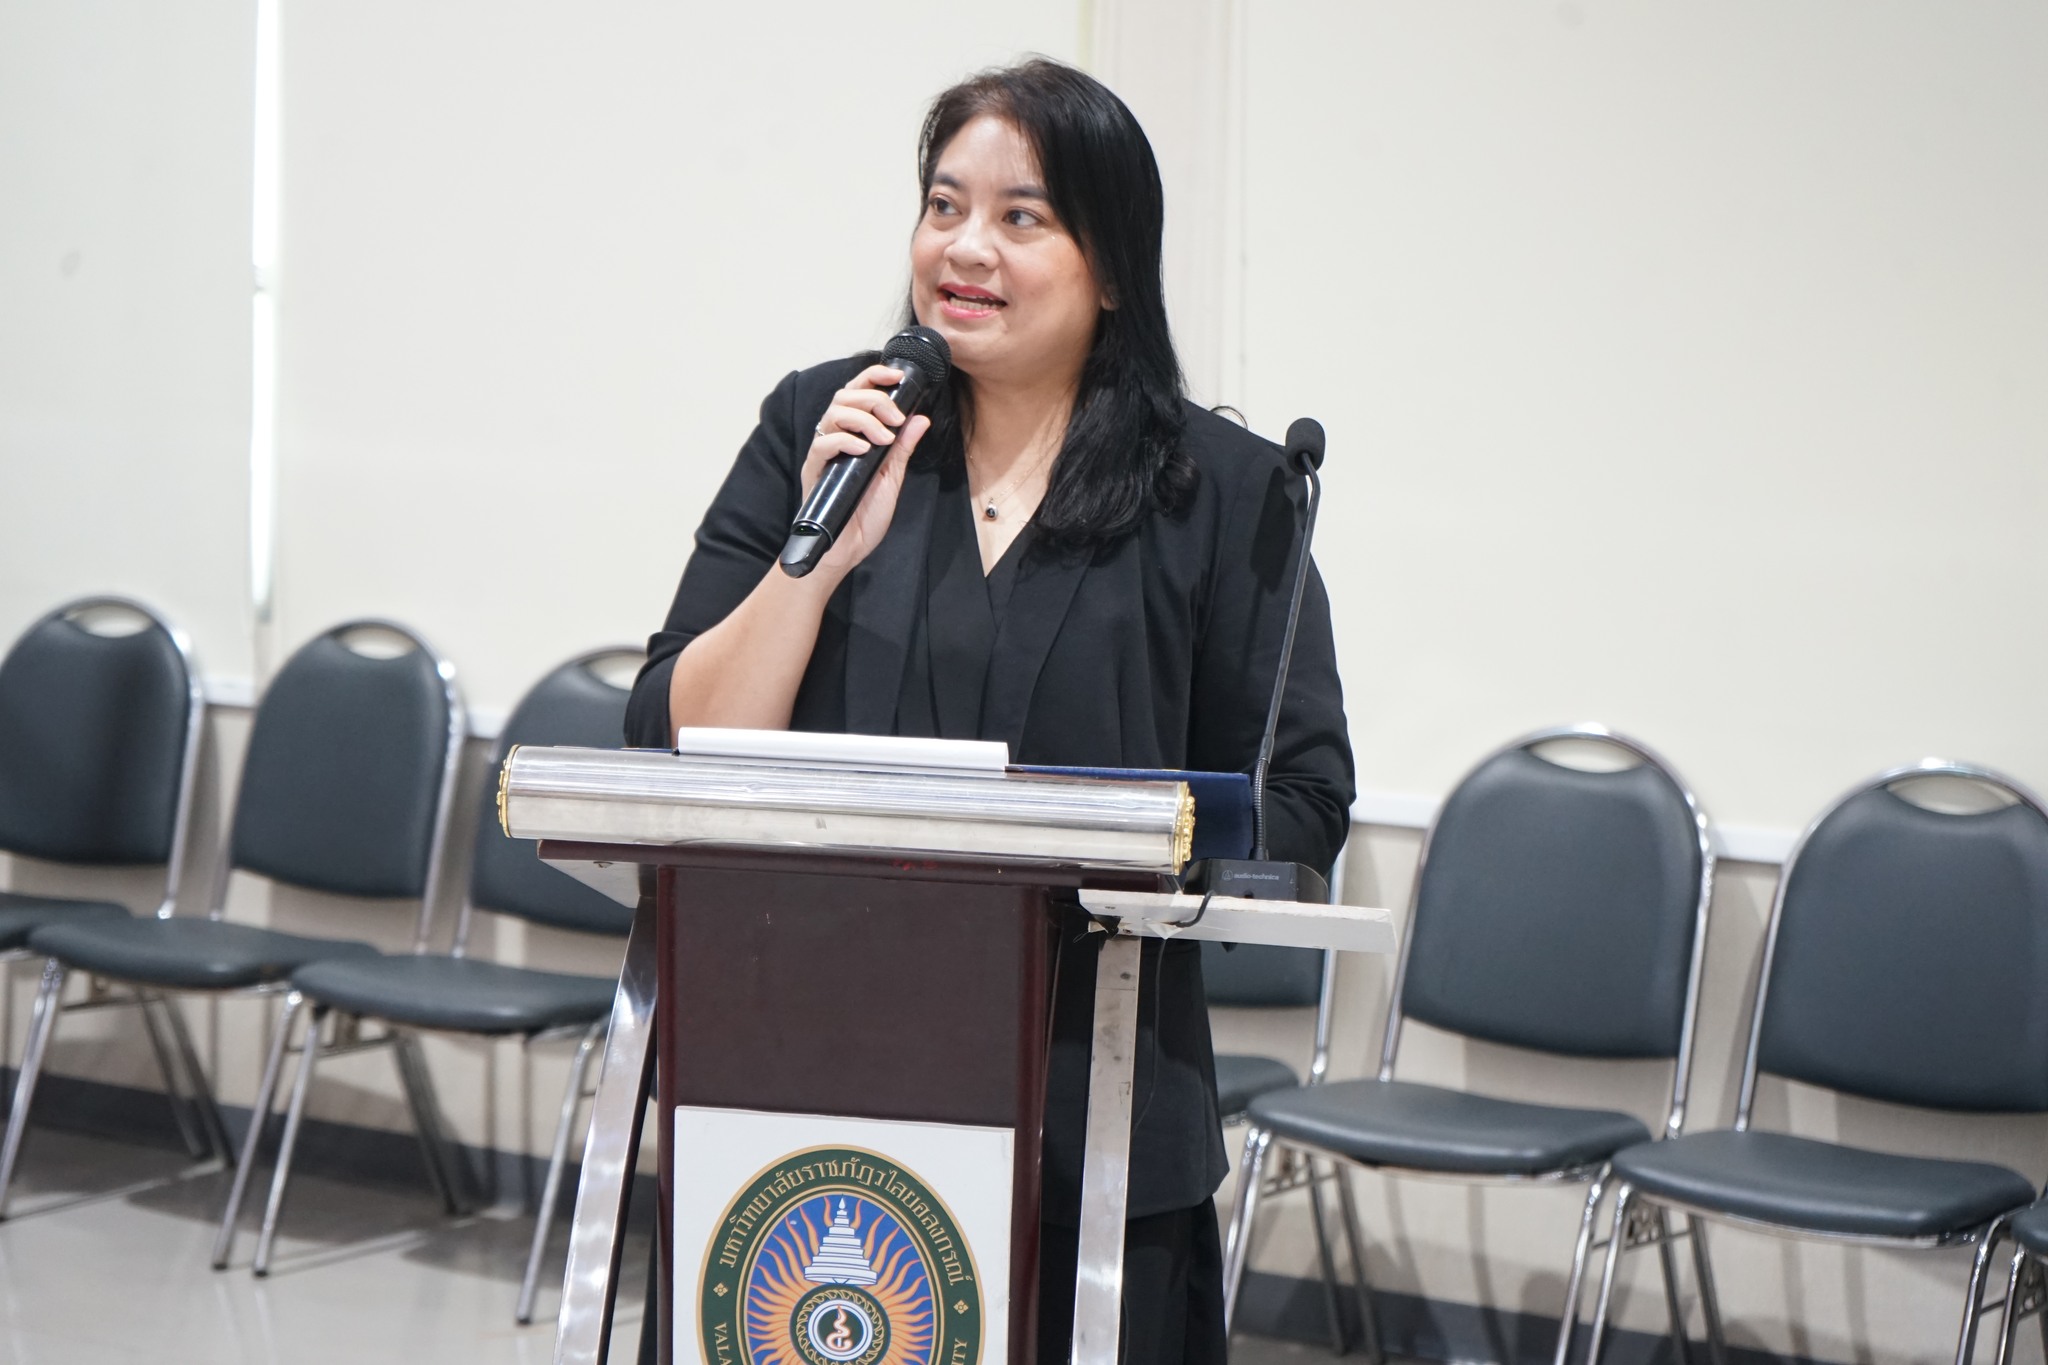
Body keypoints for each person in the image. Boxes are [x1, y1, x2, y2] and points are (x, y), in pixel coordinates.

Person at [627, 57, 1353, 1365]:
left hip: (1093, 1102)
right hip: (808, 1095)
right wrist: (815, 560)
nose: (965, 248)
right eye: (944, 205)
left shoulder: (1222, 494)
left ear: (1111, 266)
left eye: (1022, 217)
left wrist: (1111, 838)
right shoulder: (820, 428)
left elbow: (1299, 800)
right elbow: (673, 742)